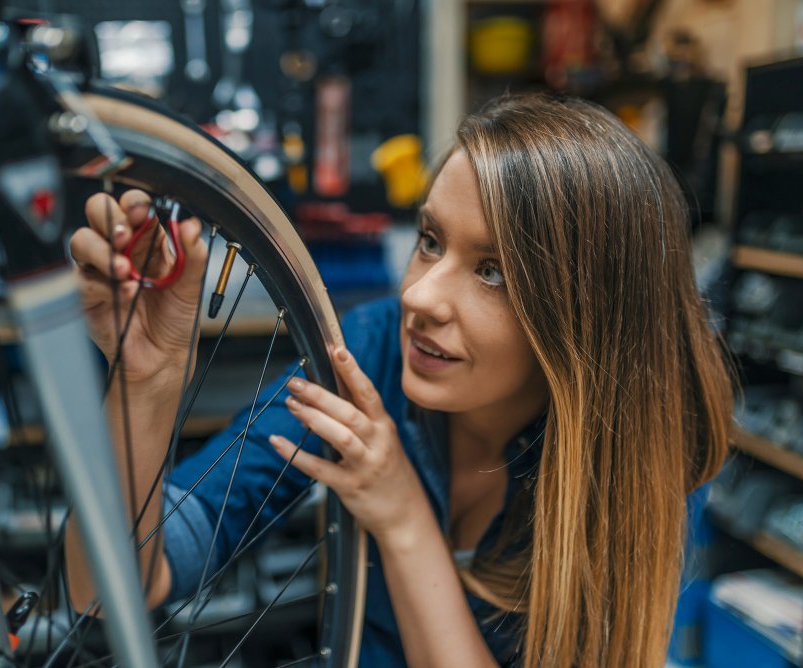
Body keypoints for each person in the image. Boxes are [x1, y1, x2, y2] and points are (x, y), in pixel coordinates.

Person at [65, 92, 733, 667]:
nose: (421, 297)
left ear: (590, 321)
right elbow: (107, 585)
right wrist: (143, 381)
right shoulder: (374, 353)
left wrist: (402, 513)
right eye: (431, 240)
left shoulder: (643, 461)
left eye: (493, 271)